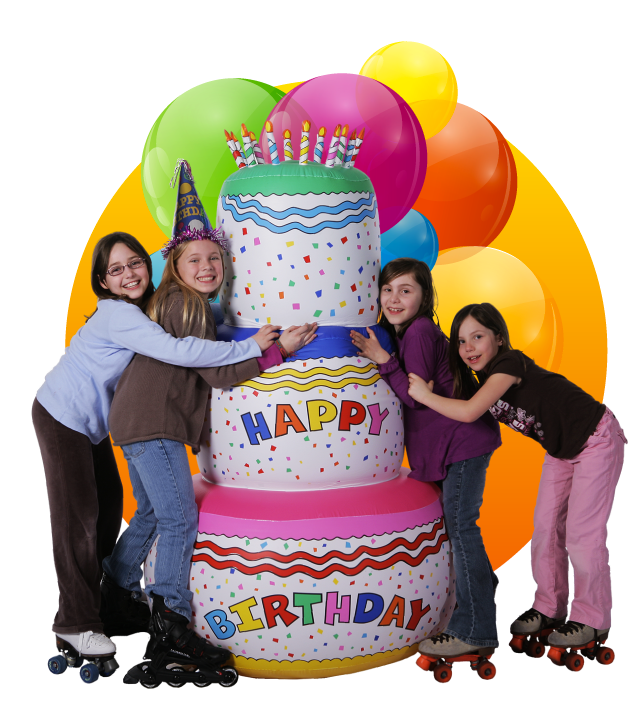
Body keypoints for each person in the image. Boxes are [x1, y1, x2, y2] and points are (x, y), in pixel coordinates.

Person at [32, 231, 280, 667]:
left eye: (134, 263)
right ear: (103, 282)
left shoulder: (150, 307)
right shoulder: (120, 314)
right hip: (63, 418)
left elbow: (189, 337)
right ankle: (78, 624)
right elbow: (179, 350)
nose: (129, 273)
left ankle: (112, 599)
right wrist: (255, 347)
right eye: (116, 269)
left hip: (98, 426)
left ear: (149, 266)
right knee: (79, 524)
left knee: (112, 515)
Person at [104, 229, 317, 684]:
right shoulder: (188, 304)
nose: (206, 267)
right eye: (194, 260)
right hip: (154, 422)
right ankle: (170, 627)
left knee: (151, 514)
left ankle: (116, 600)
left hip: (133, 419)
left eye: (214, 259)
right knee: (179, 518)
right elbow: (217, 373)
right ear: (175, 268)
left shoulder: (175, 302)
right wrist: (278, 351)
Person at [406, 302, 626, 651]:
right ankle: (550, 607)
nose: (469, 348)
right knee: (545, 528)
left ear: (498, 337)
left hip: (595, 438)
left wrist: (424, 395)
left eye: (477, 337)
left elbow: (469, 411)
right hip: (560, 449)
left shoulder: (510, 364)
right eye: (461, 341)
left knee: (581, 536)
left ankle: (591, 618)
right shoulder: (483, 378)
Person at [349, 258, 502, 657]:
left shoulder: (417, 332)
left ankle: (476, 631)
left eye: (406, 290)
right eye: (387, 289)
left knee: (461, 528)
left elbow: (415, 398)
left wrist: (383, 360)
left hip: (461, 442)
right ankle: (482, 604)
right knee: (459, 529)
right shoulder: (402, 334)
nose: (394, 298)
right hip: (450, 443)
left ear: (424, 296)